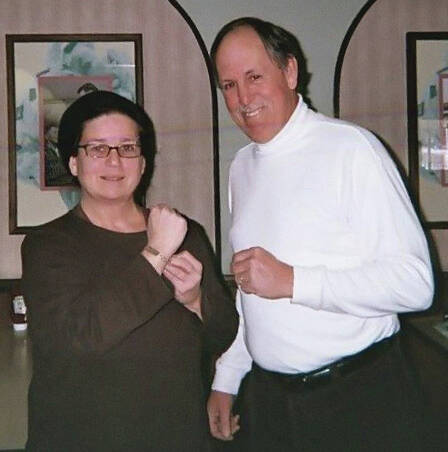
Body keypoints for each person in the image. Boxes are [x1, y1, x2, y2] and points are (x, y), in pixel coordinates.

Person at [206, 17, 434, 452]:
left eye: (254, 77)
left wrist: (294, 280)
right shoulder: (242, 168)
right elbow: (252, 289)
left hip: (358, 398)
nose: (242, 98)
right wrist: (229, 375)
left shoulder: (352, 150)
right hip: (271, 401)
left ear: (290, 72)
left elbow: (416, 284)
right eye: (229, 85)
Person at [21, 90, 238, 452]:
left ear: (143, 162)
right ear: (74, 162)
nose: (114, 161)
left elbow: (225, 334)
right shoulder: (48, 245)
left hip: (176, 435)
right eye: (97, 148)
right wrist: (156, 253)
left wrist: (197, 301)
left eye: (127, 148)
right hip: (79, 437)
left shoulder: (186, 233)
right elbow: (79, 342)